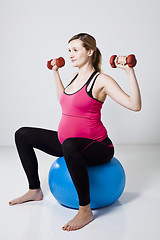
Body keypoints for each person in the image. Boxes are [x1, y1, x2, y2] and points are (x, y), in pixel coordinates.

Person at [9, 33, 142, 231]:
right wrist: (55, 73)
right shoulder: (74, 77)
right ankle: (34, 190)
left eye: (75, 50)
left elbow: (135, 105)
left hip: (98, 147)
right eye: (69, 50)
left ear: (89, 52)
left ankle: (85, 210)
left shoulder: (101, 80)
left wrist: (129, 71)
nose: (70, 54)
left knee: (70, 144)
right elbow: (64, 101)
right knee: (22, 134)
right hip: (69, 143)